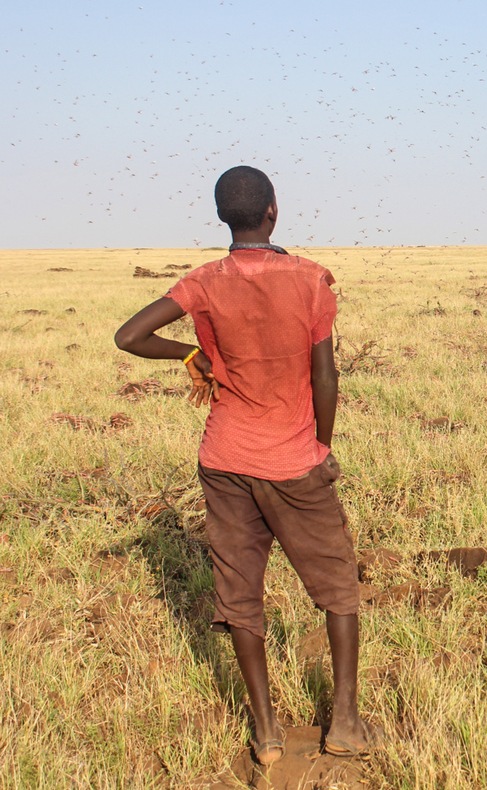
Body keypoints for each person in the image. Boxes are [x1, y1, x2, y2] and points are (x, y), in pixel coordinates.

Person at [114, 166, 370, 765]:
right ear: (274, 211)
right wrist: (320, 447)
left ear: (223, 216)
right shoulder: (310, 280)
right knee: (337, 587)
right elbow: (324, 375)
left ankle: (265, 733)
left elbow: (129, 337)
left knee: (239, 591)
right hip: (293, 459)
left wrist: (190, 354)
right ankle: (346, 722)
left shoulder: (204, 282)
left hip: (225, 459)